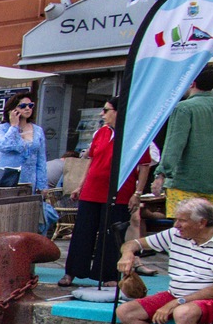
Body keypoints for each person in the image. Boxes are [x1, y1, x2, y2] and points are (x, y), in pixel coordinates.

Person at [61, 96, 153, 285]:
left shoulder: (135, 135)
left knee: (111, 234)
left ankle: (108, 275)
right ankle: (72, 272)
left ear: (118, 112)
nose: (103, 114)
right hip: (92, 189)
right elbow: (92, 161)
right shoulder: (100, 133)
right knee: (82, 231)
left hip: (119, 192)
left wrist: (138, 193)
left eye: (106, 110)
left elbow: (144, 166)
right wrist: (81, 185)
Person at [155, 67, 213, 215]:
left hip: (185, 181)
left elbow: (174, 144)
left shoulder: (184, 108)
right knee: (208, 229)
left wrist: (161, 174)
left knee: (182, 229)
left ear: (192, 82)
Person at [0, 93, 46, 190]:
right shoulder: (2, 129)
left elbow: (41, 160)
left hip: (28, 180)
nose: (27, 108)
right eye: (22, 106)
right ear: (12, 110)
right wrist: (13, 127)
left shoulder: (38, 130)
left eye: (30, 105)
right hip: (5, 180)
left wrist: (42, 185)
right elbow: (3, 146)